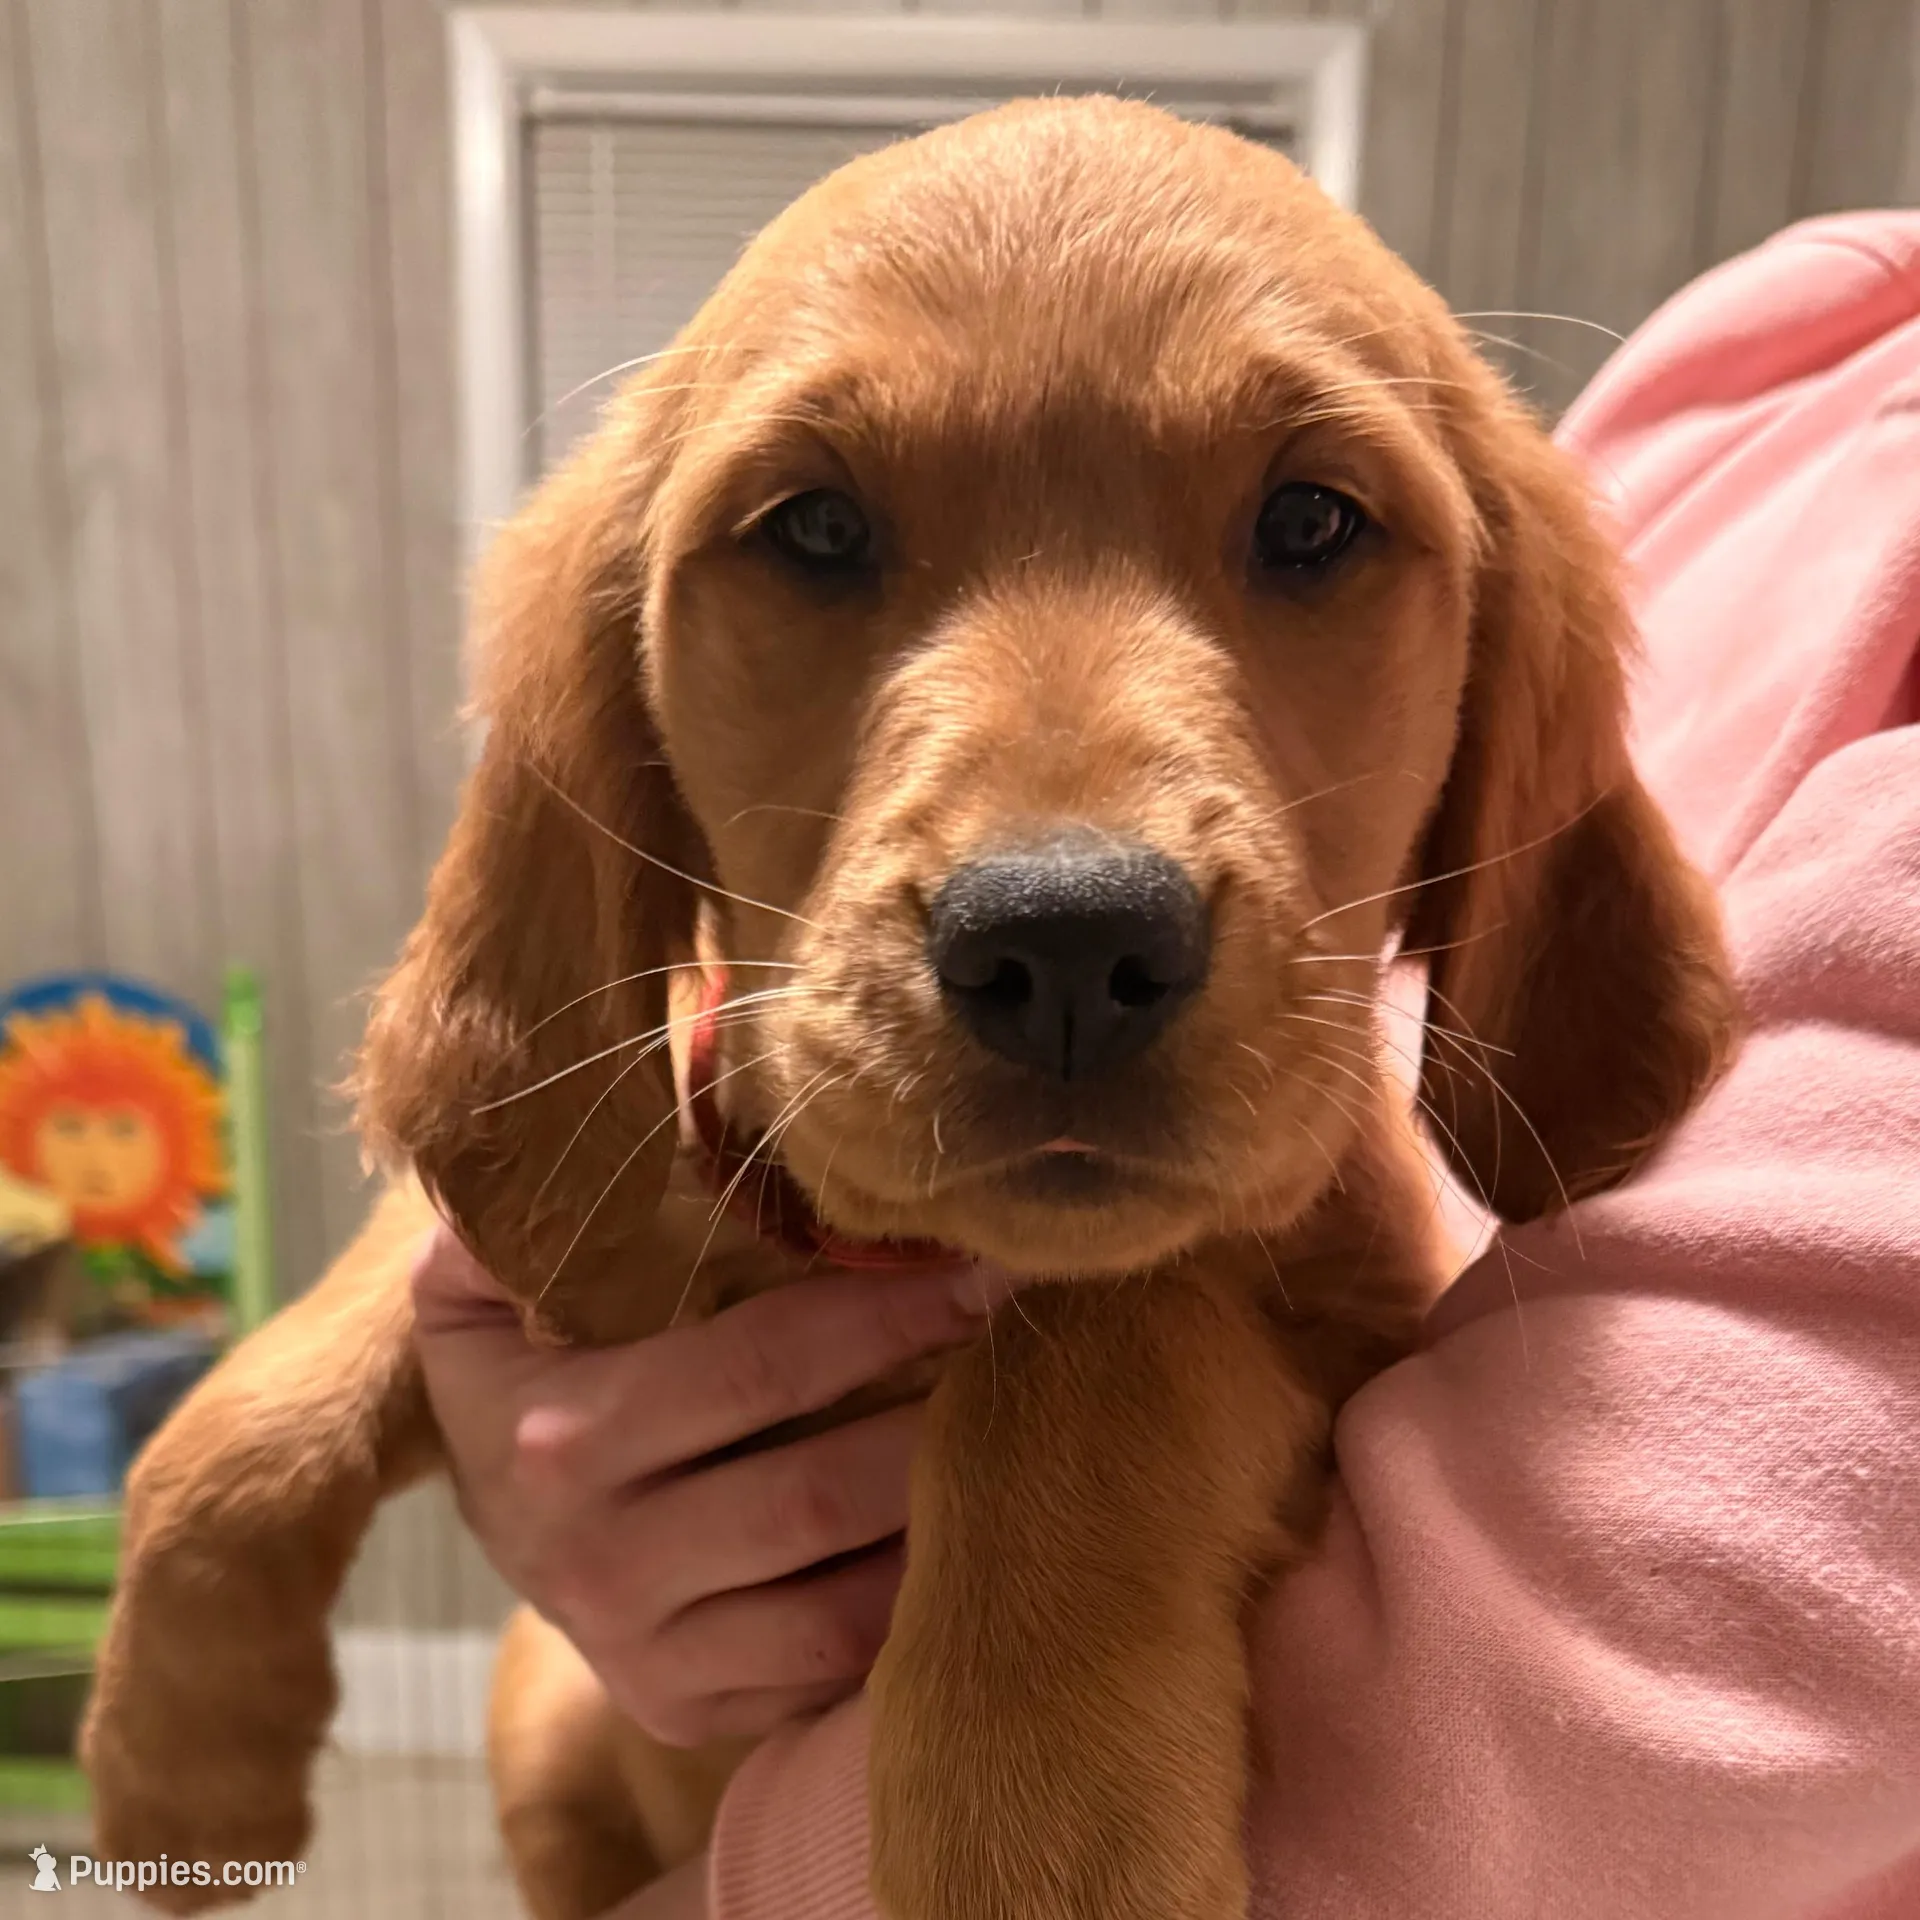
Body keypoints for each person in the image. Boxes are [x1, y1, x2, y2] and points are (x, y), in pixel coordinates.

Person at [413, 212, 1920, 1919]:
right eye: (819, 531)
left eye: (1308, 526)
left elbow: (1602, 1720)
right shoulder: (1755, 370)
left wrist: (1087, 1434)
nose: (1065, 872)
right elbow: (535, 1131)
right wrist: (496, 1372)